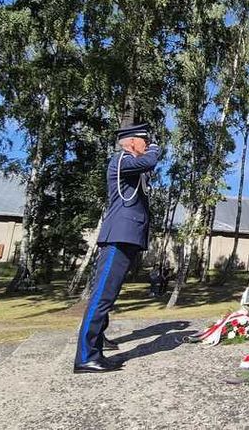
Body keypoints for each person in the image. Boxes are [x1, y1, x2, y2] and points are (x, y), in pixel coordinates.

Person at [74, 122, 160, 374]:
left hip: (127, 237)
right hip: (118, 238)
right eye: (144, 141)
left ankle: (96, 346)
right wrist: (154, 148)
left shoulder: (130, 165)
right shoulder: (121, 159)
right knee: (102, 296)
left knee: (107, 296)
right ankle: (85, 357)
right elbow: (149, 161)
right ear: (132, 142)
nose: (147, 145)